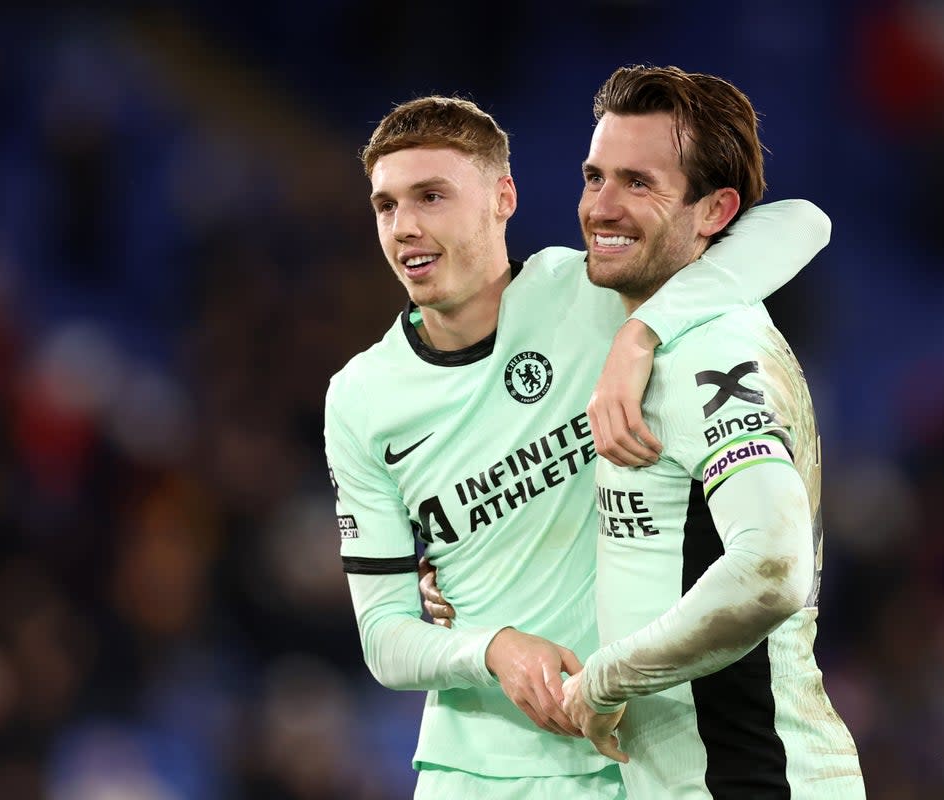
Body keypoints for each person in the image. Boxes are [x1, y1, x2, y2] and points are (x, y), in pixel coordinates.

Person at [323, 94, 832, 799]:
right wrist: (490, 649)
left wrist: (641, 332)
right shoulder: (361, 398)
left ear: (503, 197)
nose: (406, 227)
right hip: (473, 770)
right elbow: (383, 634)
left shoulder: (596, 290)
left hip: (628, 753)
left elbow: (802, 223)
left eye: (432, 196)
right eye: (386, 205)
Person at [558, 66, 866, 798]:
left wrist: (607, 679)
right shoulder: (617, 310)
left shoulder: (715, 350)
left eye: (639, 183)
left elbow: (773, 568)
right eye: (594, 176)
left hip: (757, 779)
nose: (602, 207)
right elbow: (803, 223)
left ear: (715, 211)